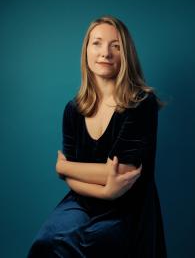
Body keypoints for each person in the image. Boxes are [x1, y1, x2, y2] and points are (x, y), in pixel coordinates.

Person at [27, 15, 167, 257]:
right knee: (47, 242)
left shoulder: (142, 103)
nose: (105, 53)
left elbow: (121, 172)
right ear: (86, 51)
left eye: (116, 46)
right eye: (97, 43)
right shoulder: (73, 109)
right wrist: (104, 191)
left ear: (127, 55)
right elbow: (71, 177)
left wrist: (64, 166)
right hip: (82, 199)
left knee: (97, 244)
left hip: (128, 207)